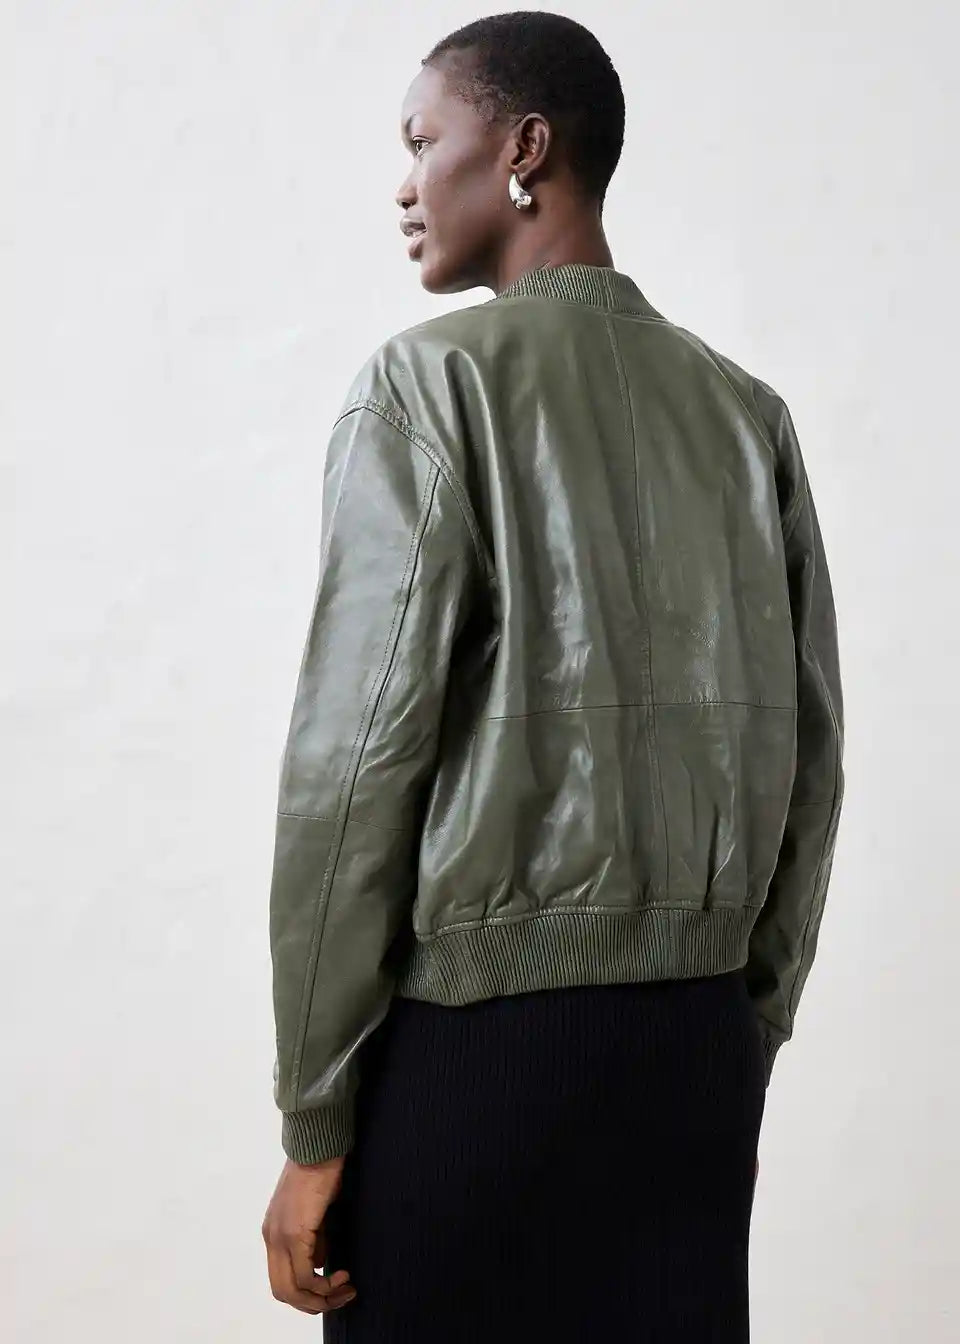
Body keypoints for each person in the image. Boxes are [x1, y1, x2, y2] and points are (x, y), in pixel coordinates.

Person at [260, 11, 845, 1341]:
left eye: (424, 141)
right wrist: (742, 1028)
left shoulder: (426, 390)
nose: (405, 184)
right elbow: (813, 755)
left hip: (471, 1067)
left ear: (525, 148)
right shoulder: (744, 414)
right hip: (694, 1058)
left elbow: (352, 773)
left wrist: (313, 1119)